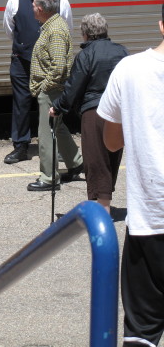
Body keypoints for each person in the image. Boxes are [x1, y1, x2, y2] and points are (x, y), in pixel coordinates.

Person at [97, 3, 164, 346]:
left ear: (162, 25)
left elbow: (110, 141)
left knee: (142, 332)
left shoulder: (130, 69)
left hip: (150, 221)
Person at [49, 13, 128, 212]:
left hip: (95, 112)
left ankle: (102, 213)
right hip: (119, 112)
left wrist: (58, 107)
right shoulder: (122, 51)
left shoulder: (86, 55)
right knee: (112, 157)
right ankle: (105, 200)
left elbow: (73, 87)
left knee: (96, 160)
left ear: (86, 34)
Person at [3, 0, 73, 164]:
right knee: (21, 103)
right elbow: (9, 28)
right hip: (22, 61)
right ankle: (20, 146)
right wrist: (24, 45)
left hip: (49, 64)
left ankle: (57, 146)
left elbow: (66, 28)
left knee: (52, 103)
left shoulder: (61, 0)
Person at [27, 0, 83, 192]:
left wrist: (44, 87)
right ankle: (76, 163)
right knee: (57, 127)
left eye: (34, 6)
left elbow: (58, 67)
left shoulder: (55, 30)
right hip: (53, 89)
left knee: (46, 132)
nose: (32, 8)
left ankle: (49, 177)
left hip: (51, 91)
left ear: (40, 9)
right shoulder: (52, 26)